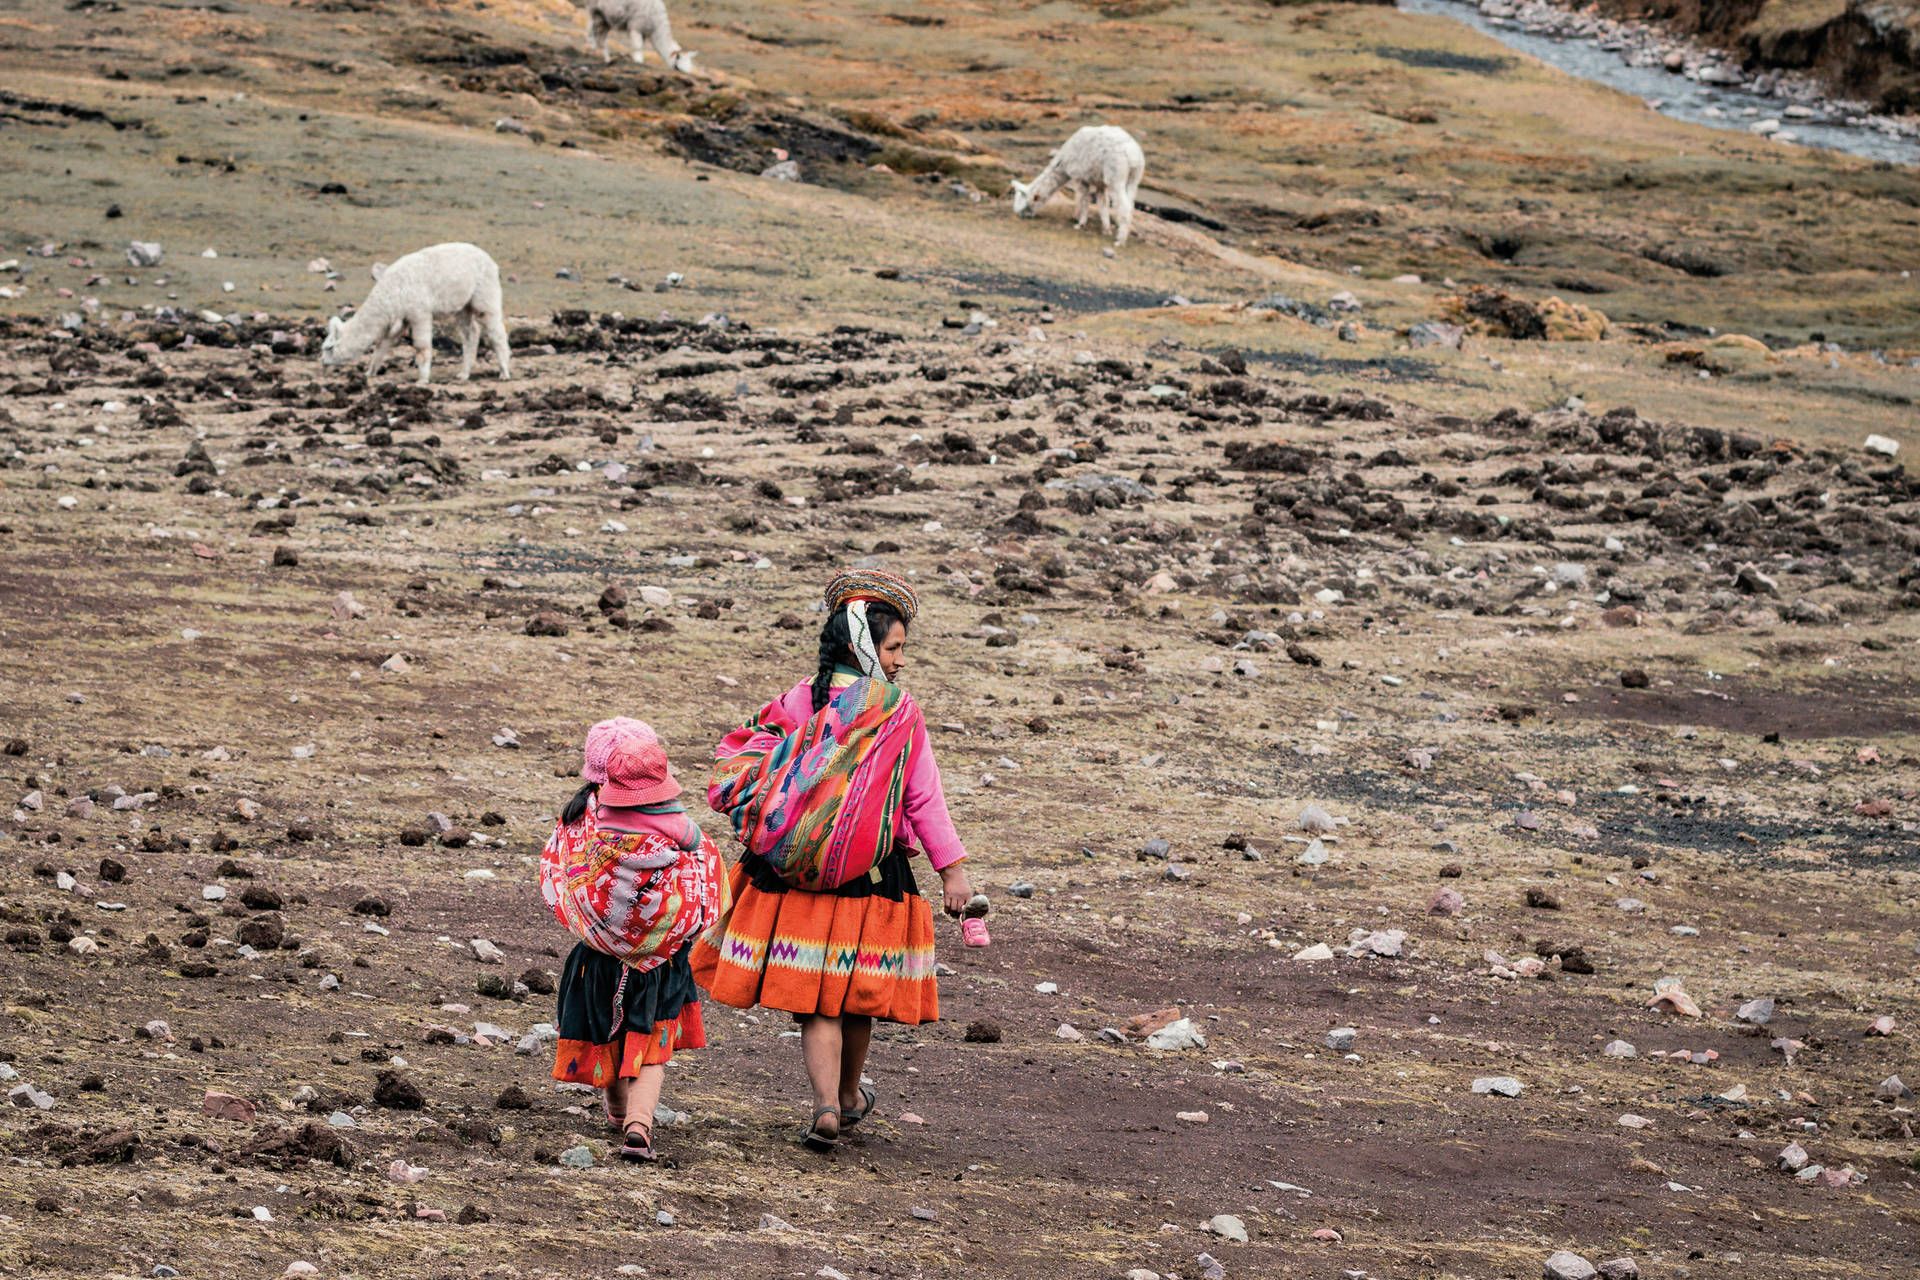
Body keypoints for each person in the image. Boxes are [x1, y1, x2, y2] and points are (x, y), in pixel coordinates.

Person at [693, 568, 982, 1152]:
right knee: (854, 993)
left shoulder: (800, 699)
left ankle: (825, 1105)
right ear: (864, 644)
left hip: (788, 879)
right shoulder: (897, 712)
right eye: (894, 647)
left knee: (814, 999)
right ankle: (850, 1098)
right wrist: (952, 870)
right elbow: (923, 796)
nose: (900, 660)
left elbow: (740, 756)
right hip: (870, 878)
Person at [542, 717, 725, 1163]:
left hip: (596, 957)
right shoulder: (680, 831)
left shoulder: (581, 824)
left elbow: (557, 875)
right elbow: (706, 879)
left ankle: (616, 1107)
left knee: (608, 1030)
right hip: (661, 961)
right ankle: (639, 1124)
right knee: (652, 1043)